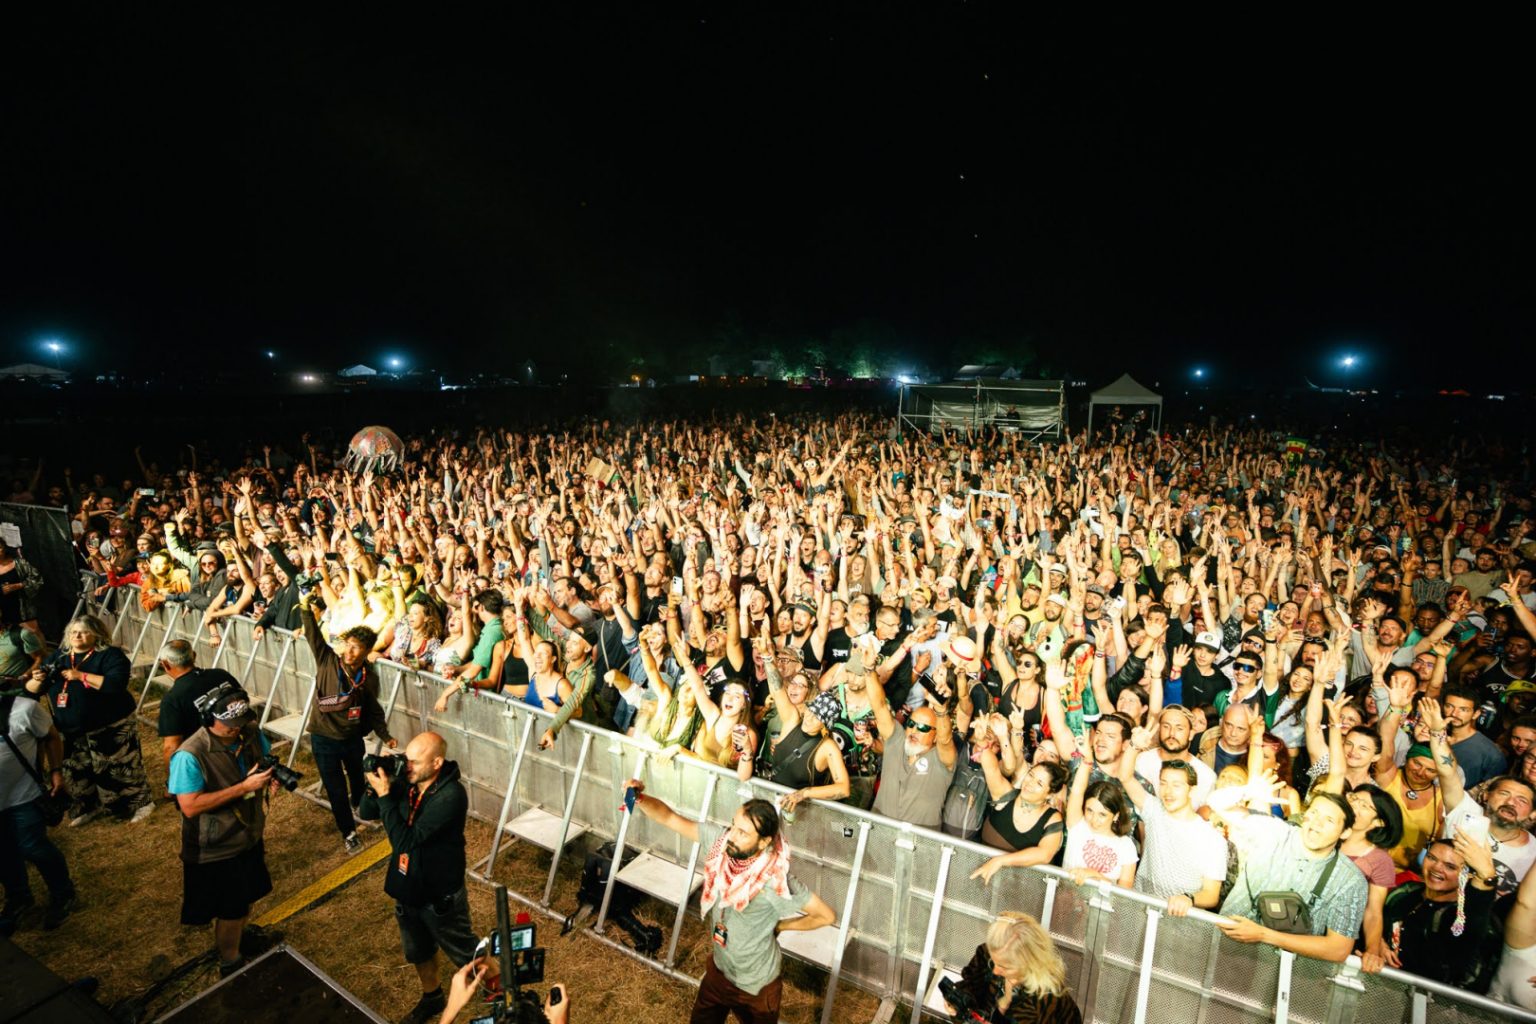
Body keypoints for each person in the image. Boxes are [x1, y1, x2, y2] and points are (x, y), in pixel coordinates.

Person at [625, 782, 835, 1024]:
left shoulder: (774, 880)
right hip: (719, 973)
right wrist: (639, 797)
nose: (732, 837)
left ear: (764, 842)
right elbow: (670, 818)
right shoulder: (722, 842)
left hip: (756, 987)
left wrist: (780, 927)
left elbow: (826, 916)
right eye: (734, 826)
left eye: (743, 833)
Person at [360, 731, 478, 1024]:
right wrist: (375, 786)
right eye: (405, 758)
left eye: (414, 761)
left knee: (466, 952)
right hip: (407, 886)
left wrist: (387, 796)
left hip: (440, 892)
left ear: (436, 762)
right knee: (419, 951)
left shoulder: (451, 795)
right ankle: (432, 997)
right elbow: (365, 811)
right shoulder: (406, 781)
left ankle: (504, 995)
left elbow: (406, 841)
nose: (406, 766)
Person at [167, 685, 277, 976]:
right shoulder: (190, 755)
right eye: (230, 725)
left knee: (246, 898)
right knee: (232, 909)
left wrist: (270, 777)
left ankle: (240, 940)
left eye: (241, 722)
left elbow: (263, 759)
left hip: (249, 836)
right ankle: (231, 963)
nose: (237, 730)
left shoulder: (249, 730)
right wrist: (244, 788)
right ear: (208, 719)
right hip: (217, 848)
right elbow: (190, 806)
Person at [1214, 787, 1369, 962]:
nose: (1317, 823)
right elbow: (1216, 802)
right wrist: (1248, 790)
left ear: (1345, 832)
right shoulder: (1275, 832)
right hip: (1222, 944)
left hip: (1285, 974)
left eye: (1329, 820)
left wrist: (1264, 935)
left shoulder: (1350, 880)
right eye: (1314, 813)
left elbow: (1338, 949)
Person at [34, 615, 152, 825]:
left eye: (83, 631)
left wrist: (81, 676)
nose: (77, 636)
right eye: (73, 632)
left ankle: (138, 803)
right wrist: (36, 680)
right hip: (70, 728)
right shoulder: (57, 657)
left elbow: (115, 684)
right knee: (78, 770)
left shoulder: (110, 656)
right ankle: (89, 806)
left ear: (96, 634)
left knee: (118, 768)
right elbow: (32, 691)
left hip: (109, 724)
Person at [300, 596, 396, 854]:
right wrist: (305, 608)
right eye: (349, 645)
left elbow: (373, 709)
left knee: (357, 779)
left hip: (352, 739)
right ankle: (349, 832)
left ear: (367, 651)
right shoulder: (327, 660)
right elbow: (312, 636)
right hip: (323, 738)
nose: (350, 652)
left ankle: (361, 809)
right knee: (335, 789)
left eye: (357, 648)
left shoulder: (368, 677)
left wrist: (385, 735)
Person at [1378, 834, 1501, 992]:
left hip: (1430, 1005)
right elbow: (1374, 920)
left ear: (1468, 876)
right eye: (1432, 858)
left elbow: (1471, 931)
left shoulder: (1460, 916)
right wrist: (1377, 943)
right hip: (1381, 988)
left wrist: (1486, 876)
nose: (1436, 868)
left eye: (1450, 866)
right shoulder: (1404, 891)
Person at [0, 685, 75, 935]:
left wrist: (56, 771)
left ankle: (63, 894)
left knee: (33, 847)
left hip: (23, 797)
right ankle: (19, 898)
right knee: (3, 853)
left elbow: (51, 736)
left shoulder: (24, 709)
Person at [1114, 757, 1230, 916]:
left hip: (1179, 923)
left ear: (1192, 790)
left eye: (1177, 785)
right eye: (1163, 783)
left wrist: (1188, 898)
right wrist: (1134, 745)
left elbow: (1211, 894)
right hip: (1140, 911)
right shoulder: (1154, 810)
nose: (1168, 792)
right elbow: (1125, 776)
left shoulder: (1213, 839)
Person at [869, 647, 957, 829]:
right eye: (911, 724)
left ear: (935, 737)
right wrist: (869, 671)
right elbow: (879, 705)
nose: (914, 731)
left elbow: (946, 740)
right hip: (878, 836)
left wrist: (940, 710)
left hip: (919, 844)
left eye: (923, 728)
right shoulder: (897, 740)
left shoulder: (942, 759)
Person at [945, 912, 1083, 1024]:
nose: (995, 970)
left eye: (1004, 967)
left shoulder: (1045, 999)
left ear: (1029, 962)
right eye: (994, 962)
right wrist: (957, 1004)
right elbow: (970, 986)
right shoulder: (988, 955)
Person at [155, 639, 240, 768]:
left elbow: (171, 746)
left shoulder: (172, 699)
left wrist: (174, 780)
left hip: (207, 761)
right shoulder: (221, 675)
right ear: (194, 655)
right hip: (240, 747)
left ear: (166, 665)